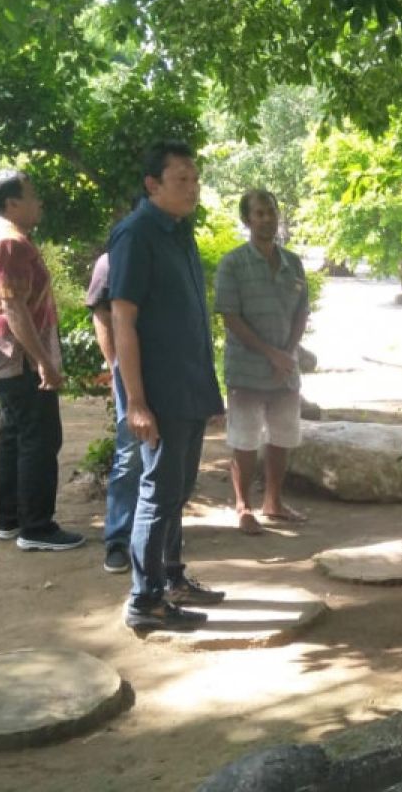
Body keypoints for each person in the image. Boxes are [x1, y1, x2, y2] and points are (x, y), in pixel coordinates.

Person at [108, 141, 225, 632]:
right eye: (182, 179)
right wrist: (135, 402)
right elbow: (122, 320)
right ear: (152, 185)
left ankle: (171, 579)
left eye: (196, 179)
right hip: (158, 393)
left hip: (189, 386)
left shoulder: (179, 232)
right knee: (157, 492)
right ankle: (146, 599)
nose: (192, 188)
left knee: (178, 490)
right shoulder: (136, 235)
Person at [0, 169, 86, 552]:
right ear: (13, 203)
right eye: (32, 196)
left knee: (16, 434)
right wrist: (44, 363)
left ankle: (11, 519)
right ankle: (37, 527)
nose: (39, 203)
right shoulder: (11, 243)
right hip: (20, 357)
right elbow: (14, 308)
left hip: (5, 354)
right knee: (41, 436)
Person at [214, 189, 310, 535]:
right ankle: (243, 507)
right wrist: (271, 354)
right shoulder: (233, 264)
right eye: (259, 213)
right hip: (247, 368)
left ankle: (274, 502)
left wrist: (288, 352)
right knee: (244, 438)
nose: (266, 218)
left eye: (270, 211)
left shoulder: (293, 263)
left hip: (285, 370)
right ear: (247, 220)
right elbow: (230, 317)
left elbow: (302, 313)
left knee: (283, 436)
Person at [86, 252, 139, 573]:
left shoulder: (170, 251)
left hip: (169, 371)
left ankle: (157, 533)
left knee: (165, 455)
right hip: (130, 374)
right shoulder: (111, 262)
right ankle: (118, 539)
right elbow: (102, 317)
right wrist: (117, 369)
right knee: (130, 454)